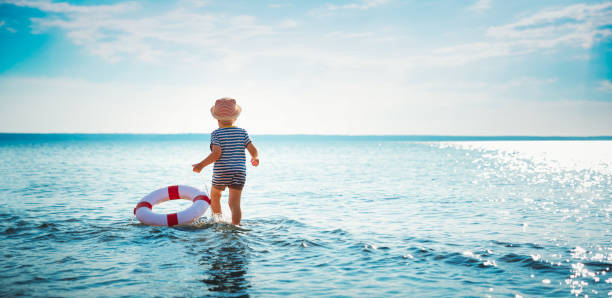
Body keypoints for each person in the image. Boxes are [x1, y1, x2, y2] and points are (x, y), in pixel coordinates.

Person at [192, 98, 259, 225]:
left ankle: (218, 222)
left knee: (215, 196)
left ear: (217, 119)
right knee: (234, 203)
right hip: (239, 172)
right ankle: (236, 226)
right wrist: (255, 158)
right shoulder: (242, 132)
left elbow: (216, 154)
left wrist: (201, 165)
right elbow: (253, 150)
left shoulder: (216, 134)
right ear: (235, 118)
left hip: (222, 172)